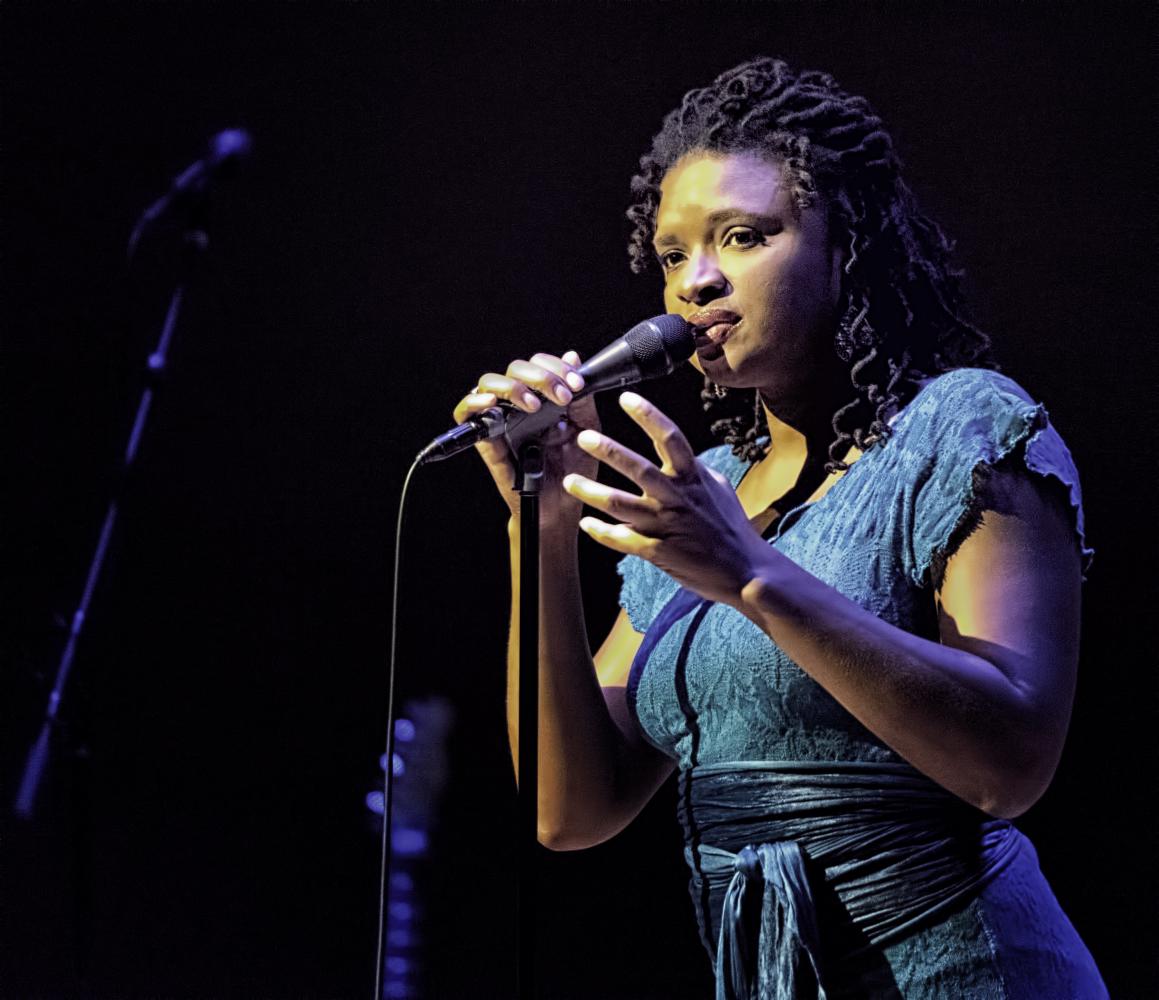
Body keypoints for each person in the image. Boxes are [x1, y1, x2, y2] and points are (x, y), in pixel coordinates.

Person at [454, 57, 1107, 998]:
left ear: (848, 244)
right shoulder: (707, 487)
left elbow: (1007, 764)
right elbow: (570, 810)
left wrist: (751, 576)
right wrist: (541, 524)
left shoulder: (961, 427)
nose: (697, 282)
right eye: (673, 255)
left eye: (745, 237)